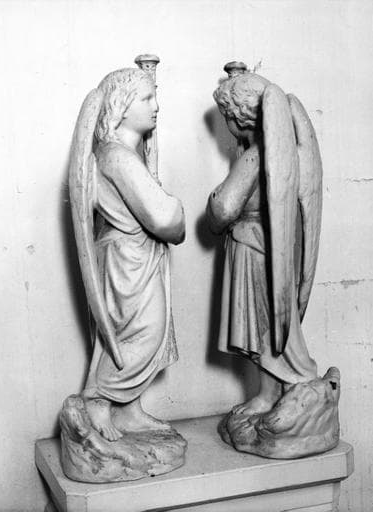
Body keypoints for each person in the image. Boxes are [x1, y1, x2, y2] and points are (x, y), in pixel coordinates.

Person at [70, 68, 185, 441]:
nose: (156, 106)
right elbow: (165, 219)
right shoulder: (118, 157)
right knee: (142, 334)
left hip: (133, 255)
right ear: (120, 106)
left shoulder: (120, 155)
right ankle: (98, 399)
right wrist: (176, 209)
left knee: (135, 333)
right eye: (146, 98)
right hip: (129, 259)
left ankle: (129, 411)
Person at [206, 65, 319, 416]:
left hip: (253, 249)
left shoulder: (256, 156)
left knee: (263, 325)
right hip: (268, 246)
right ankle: (272, 393)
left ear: (238, 116)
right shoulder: (277, 150)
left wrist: (214, 199)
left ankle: (275, 392)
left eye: (226, 115)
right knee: (265, 324)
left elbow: (224, 209)